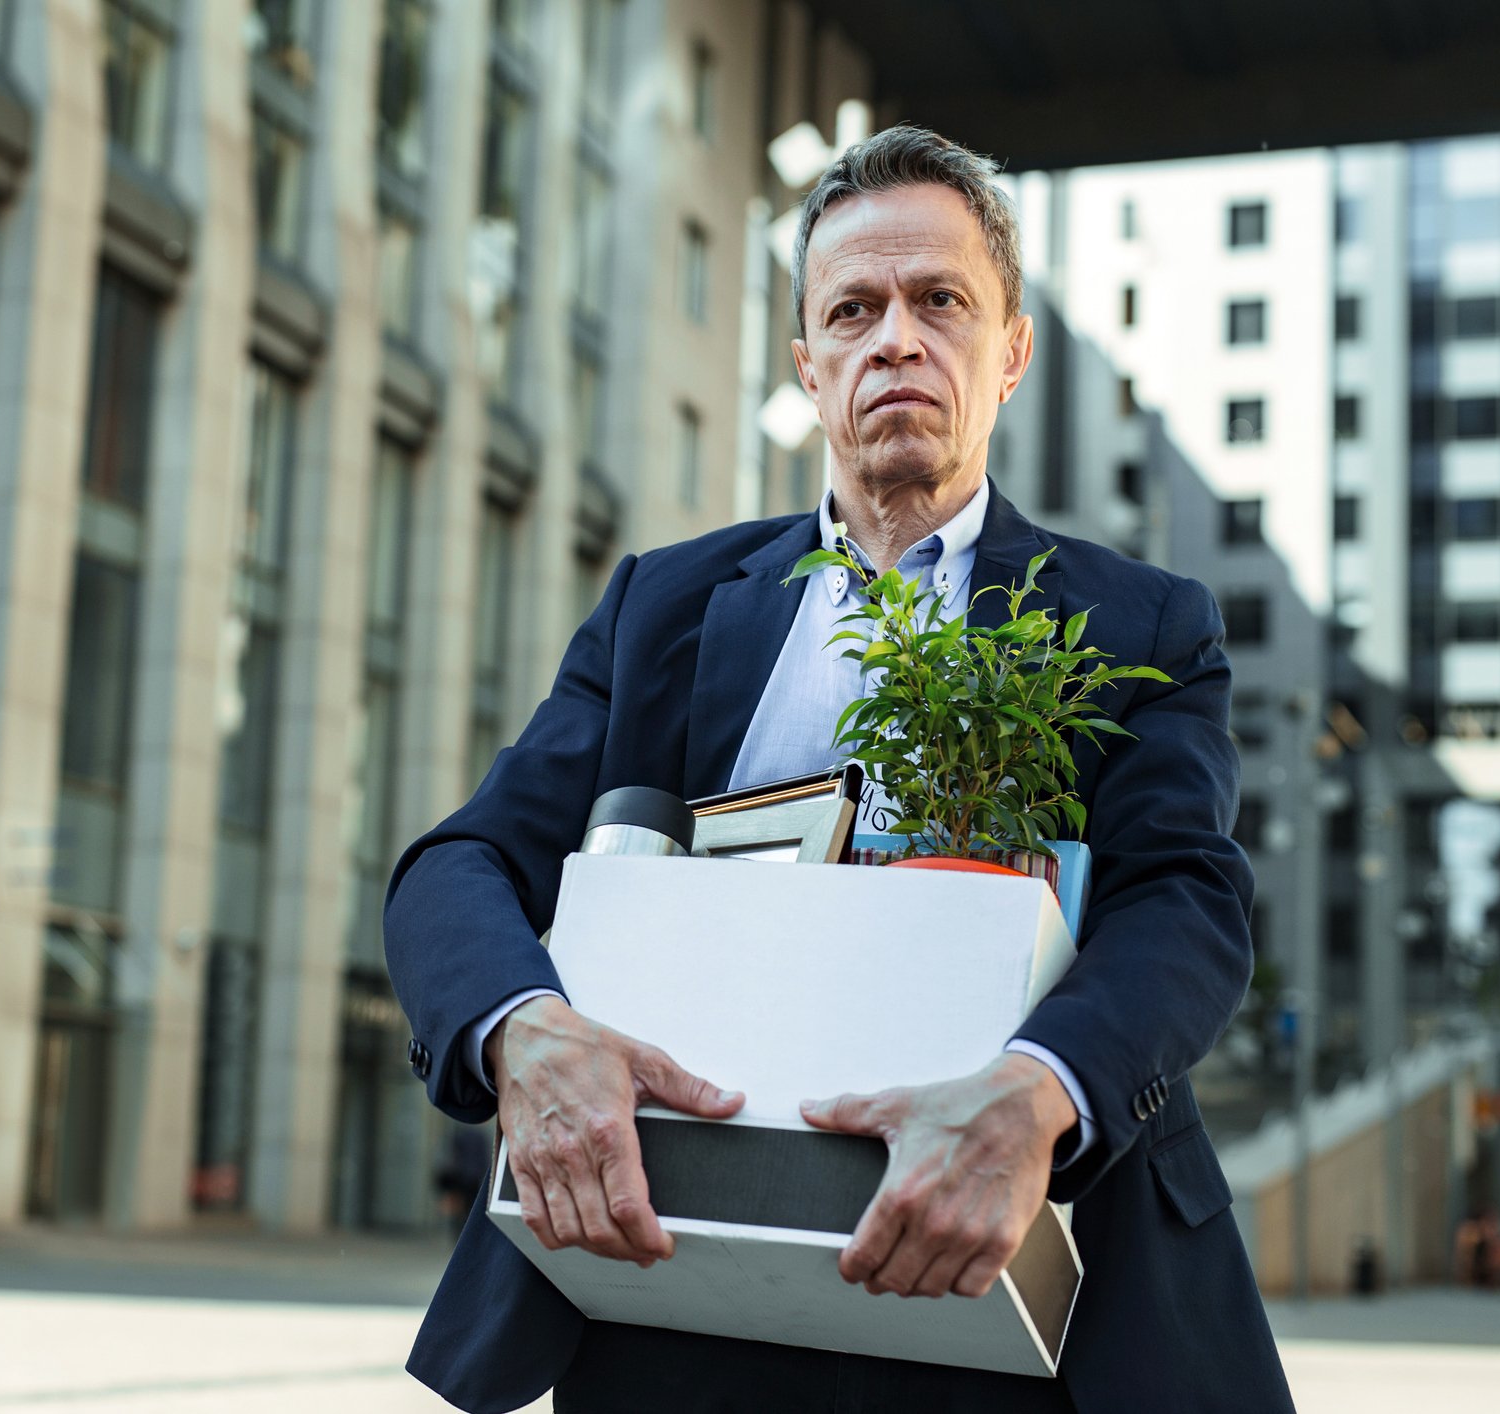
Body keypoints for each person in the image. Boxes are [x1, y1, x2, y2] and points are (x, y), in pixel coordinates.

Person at [384, 125, 1294, 1413]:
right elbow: (460, 865)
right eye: (855, 310)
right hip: (673, 1290)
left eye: (942, 303)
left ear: (1012, 351)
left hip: (1028, 1301)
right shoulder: (663, 604)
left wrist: (1038, 1096)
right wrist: (521, 1031)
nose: (897, 340)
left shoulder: (1139, 623)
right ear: (809, 367)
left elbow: (1185, 903)